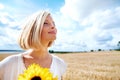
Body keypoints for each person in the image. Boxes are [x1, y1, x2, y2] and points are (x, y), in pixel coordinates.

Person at [0, 11, 67, 80]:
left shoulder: (60, 65)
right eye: (46, 23)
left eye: (54, 23)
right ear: (33, 29)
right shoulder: (10, 64)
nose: (53, 26)